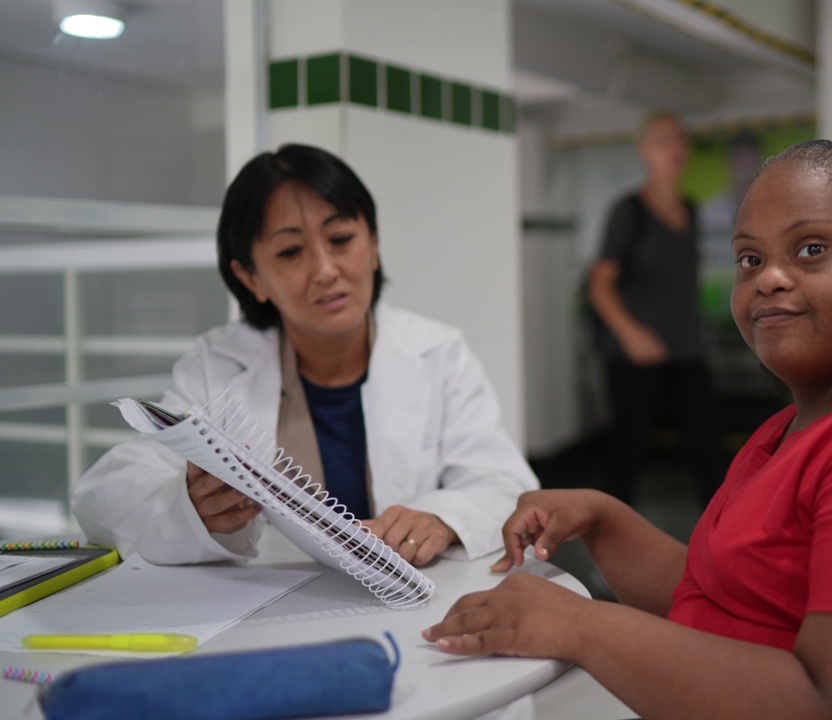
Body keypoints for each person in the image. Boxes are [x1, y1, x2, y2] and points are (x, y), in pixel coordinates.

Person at [423, 141, 832, 720]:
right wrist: (606, 519)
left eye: (811, 248)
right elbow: (730, 598)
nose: (769, 278)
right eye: (750, 258)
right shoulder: (799, 425)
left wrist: (581, 626)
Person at [72, 144, 538, 567]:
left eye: (341, 240)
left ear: (373, 245)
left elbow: (505, 485)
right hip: (272, 612)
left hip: (420, 605)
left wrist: (442, 517)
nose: (325, 270)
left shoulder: (438, 353)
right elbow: (107, 495)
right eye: (292, 251)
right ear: (250, 275)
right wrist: (189, 507)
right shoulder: (217, 363)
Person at [587, 110, 724, 506]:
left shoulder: (692, 210)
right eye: (663, 140)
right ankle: (609, 552)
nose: (674, 148)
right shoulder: (628, 211)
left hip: (687, 351)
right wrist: (631, 335)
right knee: (627, 454)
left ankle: (722, 548)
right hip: (635, 357)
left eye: (680, 138)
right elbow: (600, 285)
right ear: (644, 151)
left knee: (708, 450)